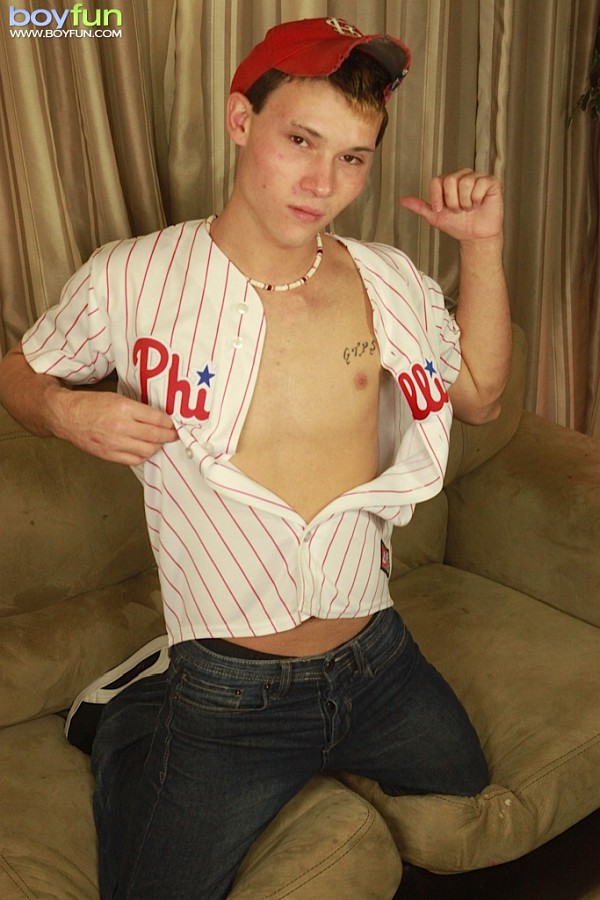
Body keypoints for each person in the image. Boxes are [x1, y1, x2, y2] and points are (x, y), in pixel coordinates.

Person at [0, 17, 512, 900]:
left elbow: (480, 397)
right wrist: (61, 409)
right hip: (229, 688)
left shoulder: (388, 278)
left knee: (466, 782)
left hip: (377, 657)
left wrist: (483, 247)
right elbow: (20, 370)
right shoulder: (130, 279)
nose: (323, 182)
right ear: (242, 120)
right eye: (301, 141)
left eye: (352, 158)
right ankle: (126, 717)